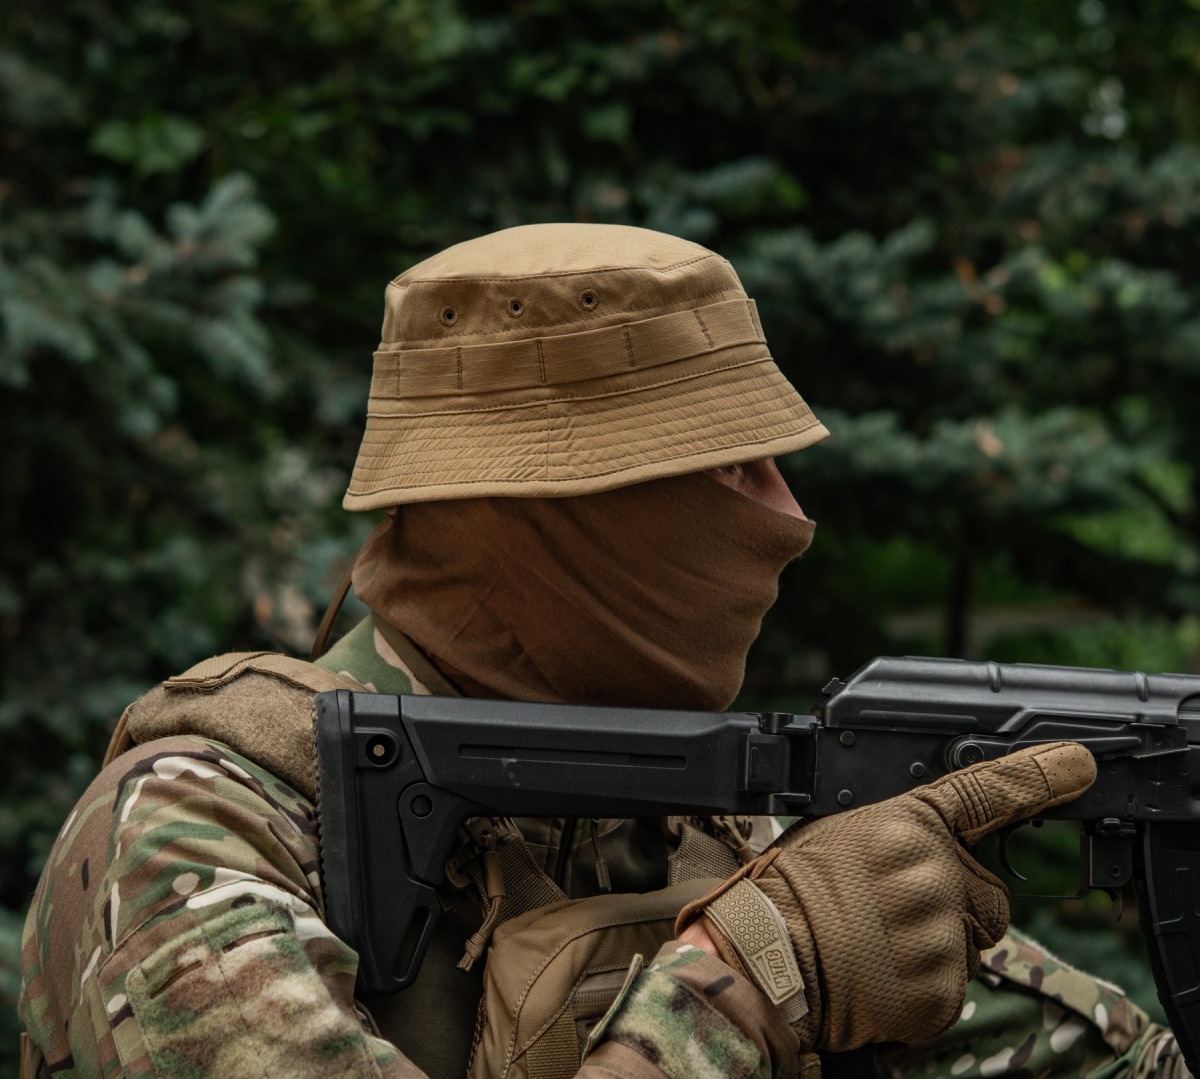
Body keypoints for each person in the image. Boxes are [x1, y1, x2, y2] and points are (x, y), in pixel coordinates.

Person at [17, 224, 1186, 1079]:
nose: (790, 518)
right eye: (728, 467)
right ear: (532, 511)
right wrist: (747, 982)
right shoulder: (192, 836)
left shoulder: (707, 830)